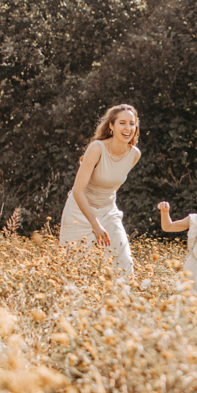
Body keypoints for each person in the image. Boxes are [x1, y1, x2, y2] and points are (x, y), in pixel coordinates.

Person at [59, 104, 142, 277]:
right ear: (111, 126)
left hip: (108, 211)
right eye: (122, 123)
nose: (128, 128)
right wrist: (95, 225)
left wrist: (106, 211)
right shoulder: (97, 148)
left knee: (124, 265)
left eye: (132, 124)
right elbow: (78, 191)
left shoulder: (134, 154)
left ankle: (122, 303)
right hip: (79, 212)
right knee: (75, 271)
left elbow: (114, 185)